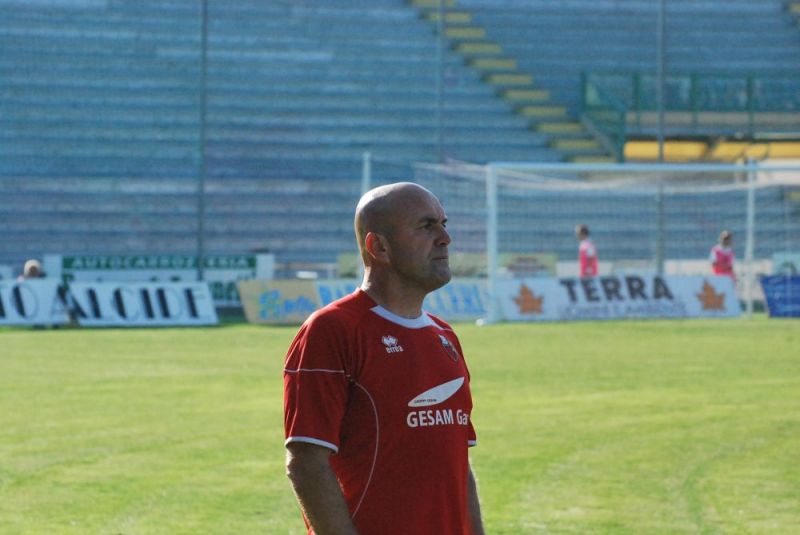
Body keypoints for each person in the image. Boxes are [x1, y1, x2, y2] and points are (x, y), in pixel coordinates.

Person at [283, 182, 485, 535]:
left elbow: (457, 464)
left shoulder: (444, 336)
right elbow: (306, 462)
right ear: (379, 247)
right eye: (426, 226)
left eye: (443, 224)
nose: (445, 238)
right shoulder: (332, 329)